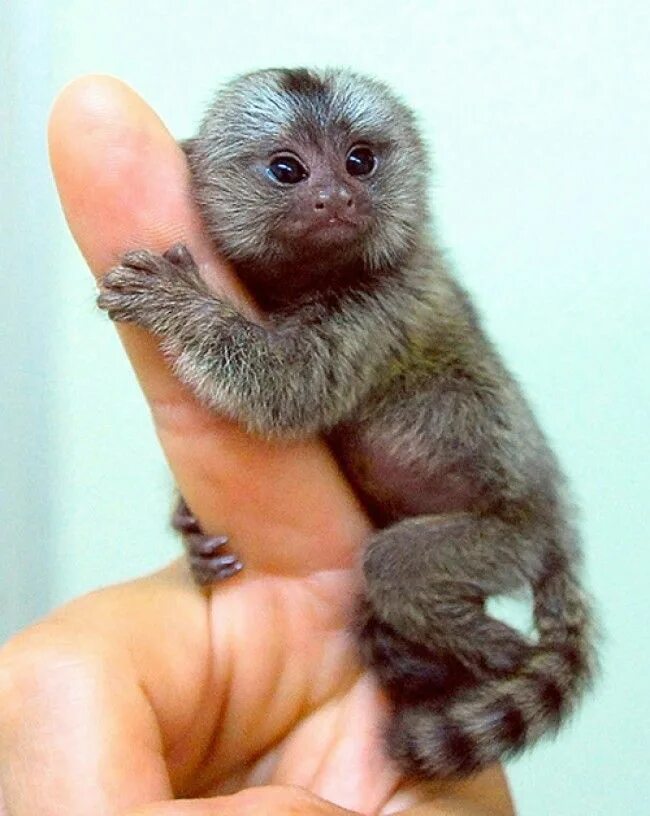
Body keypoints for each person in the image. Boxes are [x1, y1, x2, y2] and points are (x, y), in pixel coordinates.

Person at [0, 76, 515, 816]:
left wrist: (185, 310)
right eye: (288, 170)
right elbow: (285, 430)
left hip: (435, 530)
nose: (335, 193)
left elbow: (286, 396)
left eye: (360, 162)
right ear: (213, 183)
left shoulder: (387, 284)